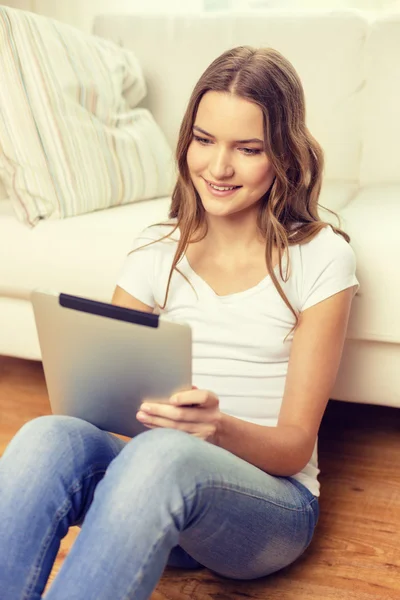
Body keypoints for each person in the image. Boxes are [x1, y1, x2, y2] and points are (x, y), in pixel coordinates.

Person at [0, 46, 359, 600]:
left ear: (284, 155)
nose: (218, 168)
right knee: (47, 436)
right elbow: (99, 404)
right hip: (150, 493)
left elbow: (293, 447)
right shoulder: (156, 250)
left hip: (268, 508)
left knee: (164, 454)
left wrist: (217, 429)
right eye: (204, 139)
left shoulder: (322, 257)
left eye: (249, 149)